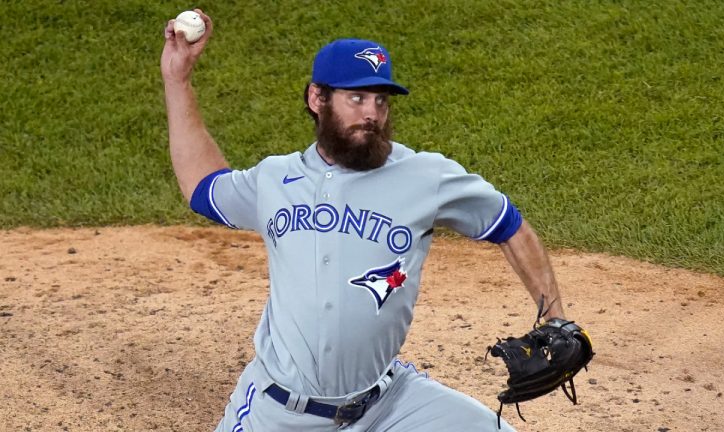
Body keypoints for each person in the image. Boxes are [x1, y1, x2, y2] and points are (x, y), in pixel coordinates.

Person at [162, 9, 566, 432]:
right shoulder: (275, 179)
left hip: (386, 404)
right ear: (317, 99)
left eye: (381, 100)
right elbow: (203, 187)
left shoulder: (426, 176)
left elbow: (508, 226)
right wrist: (177, 80)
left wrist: (555, 318)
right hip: (279, 414)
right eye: (356, 98)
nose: (372, 113)